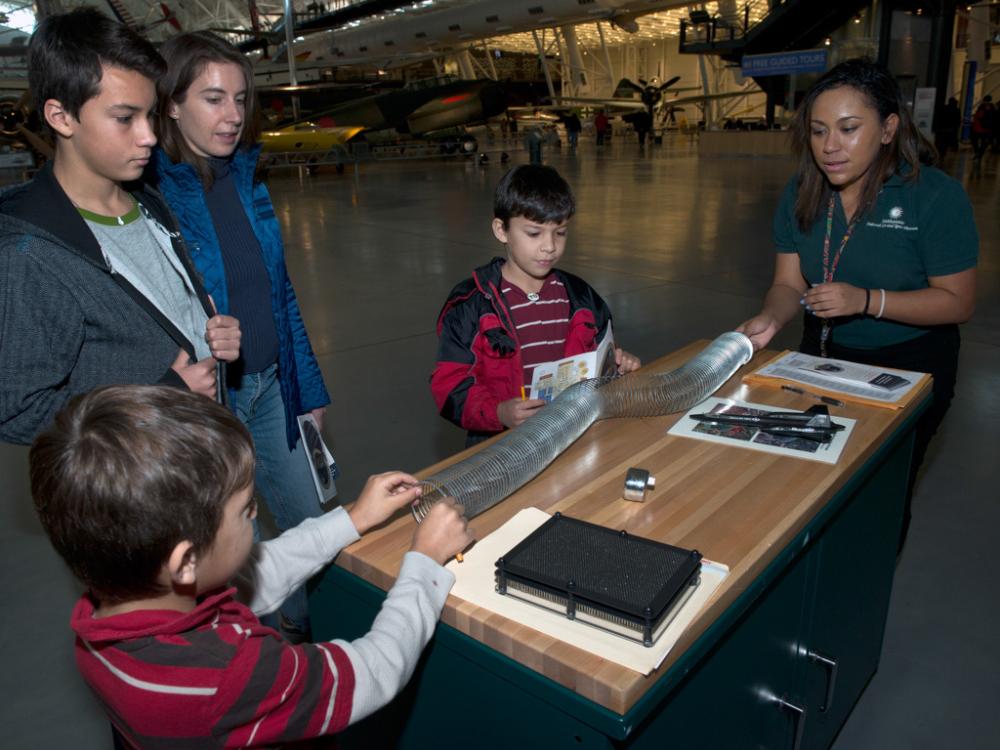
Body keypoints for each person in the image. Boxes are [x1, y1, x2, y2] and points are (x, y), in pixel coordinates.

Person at [30, 384, 472, 748]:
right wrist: (423, 562)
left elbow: (252, 575)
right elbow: (374, 672)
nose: (256, 513)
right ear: (186, 561)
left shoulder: (103, 617)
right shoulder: (231, 675)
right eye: (246, 509)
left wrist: (352, 519)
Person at [736, 59, 978, 546]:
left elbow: (956, 302)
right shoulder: (803, 192)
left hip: (908, 367)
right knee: (802, 484)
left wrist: (867, 300)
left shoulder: (932, 196)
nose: (830, 147)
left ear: (889, 128)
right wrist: (769, 319)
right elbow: (788, 283)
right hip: (819, 358)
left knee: (875, 501)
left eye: (848, 129)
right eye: (818, 131)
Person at [149, 32, 331, 642]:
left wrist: (309, 387)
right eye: (213, 98)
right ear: (171, 104)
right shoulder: (154, 193)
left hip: (274, 389)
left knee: (312, 525)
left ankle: (307, 636)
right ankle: (255, 658)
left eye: (241, 99)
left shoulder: (247, 179)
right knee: (237, 550)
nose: (233, 116)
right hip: (214, 404)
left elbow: (279, 294)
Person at [0, 8, 241, 445]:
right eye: (125, 118)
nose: (149, 136)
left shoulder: (147, 202)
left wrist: (207, 326)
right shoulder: (31, 255)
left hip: (204, 449)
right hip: (142, 486)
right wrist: (163, 394)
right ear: (60, 117)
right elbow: (16, 409)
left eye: (149, 115)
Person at [431, 165, 641, 445]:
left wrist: (619, 368)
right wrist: (498, 412)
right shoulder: (472, 305)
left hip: (572, 435)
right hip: (502, 447)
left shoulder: (582, 298)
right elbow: (449, 386)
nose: (549, 246)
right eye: (534, 233)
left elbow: (601, 362)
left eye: (560, 232)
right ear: (501, 230)